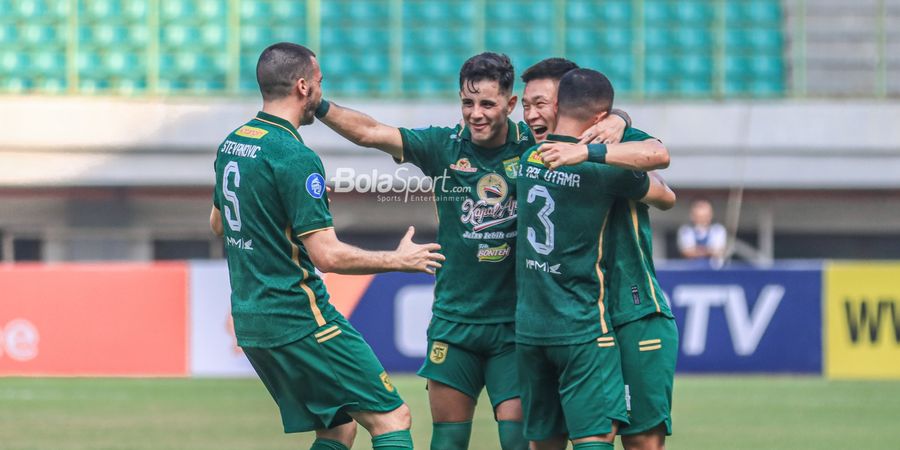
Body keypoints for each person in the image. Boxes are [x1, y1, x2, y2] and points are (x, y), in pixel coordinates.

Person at [209, 42, 445, 450]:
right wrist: (398, 259)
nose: (321, 90)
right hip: (298, 315)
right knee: (392, 417)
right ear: (303, 87)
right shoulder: (295, 156)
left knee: (338, 428)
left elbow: (218, 225)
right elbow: (327, 255)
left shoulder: (234, 143)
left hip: (251, 320)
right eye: (320, 82)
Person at [316, 52, 535, 450]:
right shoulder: (443, 147)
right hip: (455, 324)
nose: (476, 113)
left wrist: (618, 120)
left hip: (516, 327)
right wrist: (318, 106)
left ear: (510, 103)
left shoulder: (535, 148)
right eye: (468, 103)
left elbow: (588, 124)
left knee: (519, 442)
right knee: (447, 442)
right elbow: (371, 132)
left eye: (487, 103)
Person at [515, 68, 676, 450]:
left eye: (541, 103)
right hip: (582, 314)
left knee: (640, 440)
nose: (532, 114)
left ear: (559, 103)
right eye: (525, 105)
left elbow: (660, 161)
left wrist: (608, 133)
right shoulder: (532, 146)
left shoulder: (610, 139)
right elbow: (666, 195)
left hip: (633, 306)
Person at [677, 198, 726, 265]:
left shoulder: (718, 230)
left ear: (710, 215)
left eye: (705, 217)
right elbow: (687, 252)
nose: (702, 221)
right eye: (699, 217)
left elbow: (718, 251)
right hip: (691, 270)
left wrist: (696, 251)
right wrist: (708, 251)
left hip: (713, 271)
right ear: (692, 216)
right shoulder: (685, 230)